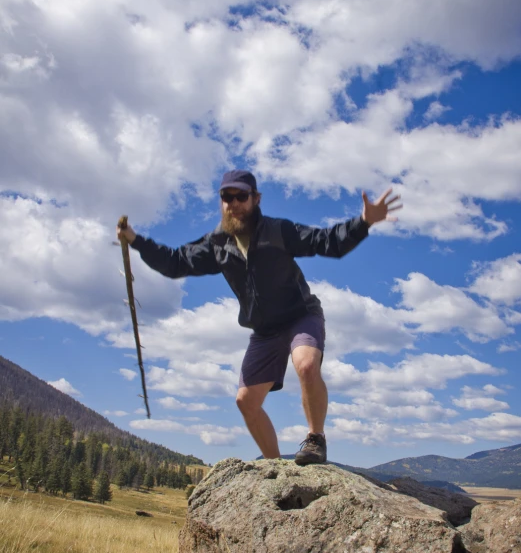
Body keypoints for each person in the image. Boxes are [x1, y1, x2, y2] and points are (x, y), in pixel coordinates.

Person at [117, 170, 401, 465]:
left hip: (300, 315)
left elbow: (326, 241)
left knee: (305, 364)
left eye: (241, 196)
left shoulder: (278, 231)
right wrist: (135, 239)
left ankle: (315, 439)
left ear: (256, 199)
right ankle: (275, 469)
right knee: (246, 402)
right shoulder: (217, 244)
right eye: (227, 197)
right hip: (265, 331)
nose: (233, 203)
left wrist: (364, 222)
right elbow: (175, 263)